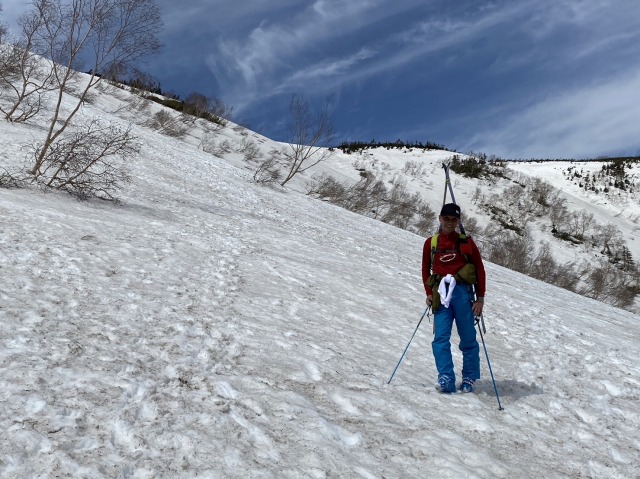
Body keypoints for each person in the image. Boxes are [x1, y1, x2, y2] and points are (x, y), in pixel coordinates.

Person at [422, 203, 486, 393]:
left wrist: (480, 298)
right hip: (441, 294)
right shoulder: (431, 243)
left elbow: (480, 270)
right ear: (440, 219)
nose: (449, 222)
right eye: (446, 218)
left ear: (458, 221)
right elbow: (425, 269)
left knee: (468, 338)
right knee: (440, 338)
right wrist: (428, 293)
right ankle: (446, 377)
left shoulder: (467, 243)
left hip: (463, 294)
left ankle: (469, 377)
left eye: (453, 219)